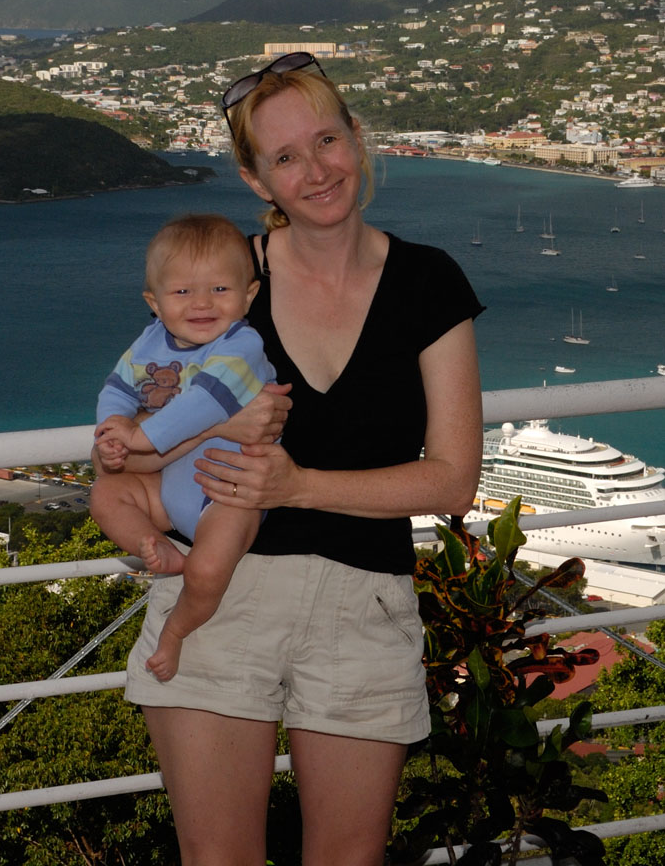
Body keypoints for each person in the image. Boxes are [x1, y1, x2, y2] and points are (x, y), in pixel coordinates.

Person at [94, 51, 484, 866]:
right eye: (284, 156)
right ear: (254, 178)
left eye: (326, 140)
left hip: (362, 605)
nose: (315, 171)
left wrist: (297, 484)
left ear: (357, 138)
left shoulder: (427, 282)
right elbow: (123, 451)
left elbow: (453, 480)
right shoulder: (218, 281)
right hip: (218, 596)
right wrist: (210, 433)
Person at [92, 213, 276, 681]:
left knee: (208, 569)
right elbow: (118, 387)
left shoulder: (242, 345)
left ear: (249, 295)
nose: (201, 303)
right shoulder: (151, 341)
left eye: (220, 289)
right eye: (181, 292)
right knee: (105, 494)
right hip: (168, 489)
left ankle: (174, 633)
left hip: (229, 493)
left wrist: (140, 437)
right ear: (154, 303)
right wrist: (112, 430)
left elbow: (203, 404)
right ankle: (157, 547)